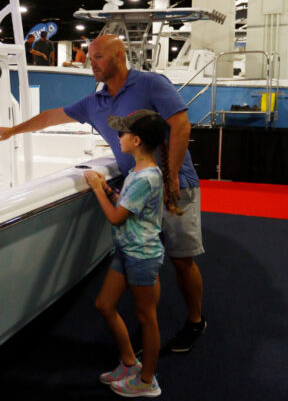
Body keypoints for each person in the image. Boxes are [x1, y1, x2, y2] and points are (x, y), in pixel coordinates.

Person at [0, 34, 207, 354]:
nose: (92, 64)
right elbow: (51, 116)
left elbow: (182, 126)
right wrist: (12, 130)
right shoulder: (94, 103)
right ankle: (148, 324)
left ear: (118, 56)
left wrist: (169, 179)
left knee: (182, 260)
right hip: (138, 190)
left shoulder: (151, 84)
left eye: (98, 57)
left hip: (177, 185)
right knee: (144, 260)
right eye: (90, 58)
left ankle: (195, 321)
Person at [84, 109, 179, 398]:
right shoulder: (139, 172)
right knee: (104, 304)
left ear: (136, 141)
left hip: (142, 256)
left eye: (122, 133)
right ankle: (128, 362)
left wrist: (96, 188)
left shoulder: (145, 177)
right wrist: (108, 190)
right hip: (127, 250)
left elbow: (116, 218)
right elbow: (127, 208)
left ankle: (147, 380)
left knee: (147, 317)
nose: (118, 137)